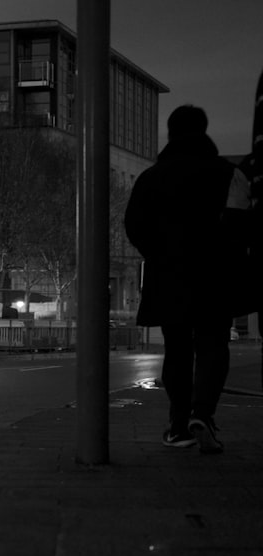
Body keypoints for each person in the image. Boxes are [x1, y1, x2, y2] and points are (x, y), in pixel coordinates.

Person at [125, 104, 253, 454]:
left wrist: (160, 252)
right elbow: (243, 223)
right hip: (217, 273)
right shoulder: (229, 174)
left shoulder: (151, 178)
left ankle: (178, 423)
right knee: (213, 344)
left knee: (177, 349)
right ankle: (203, 414)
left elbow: (134, 226)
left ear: (170, 132)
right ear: (204, 130)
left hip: (169, 275)